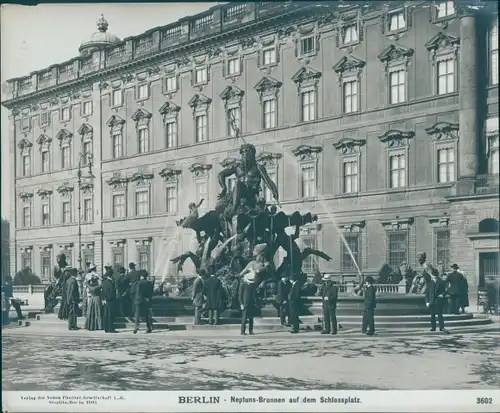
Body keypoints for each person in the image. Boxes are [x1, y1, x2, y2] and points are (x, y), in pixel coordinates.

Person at [425, 268, 446, 332]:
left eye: (435, 275)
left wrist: (442, 295)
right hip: (431, 301)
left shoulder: (441, 282)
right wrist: (427, 302)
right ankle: (433, 327)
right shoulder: (429, 283)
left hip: (438, 301)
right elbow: (427, 294)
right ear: (432, 275)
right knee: (432, 315)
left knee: (440, 315)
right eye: (433, 275)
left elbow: (444, 291)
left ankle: (441, 327)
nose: (434, 276)